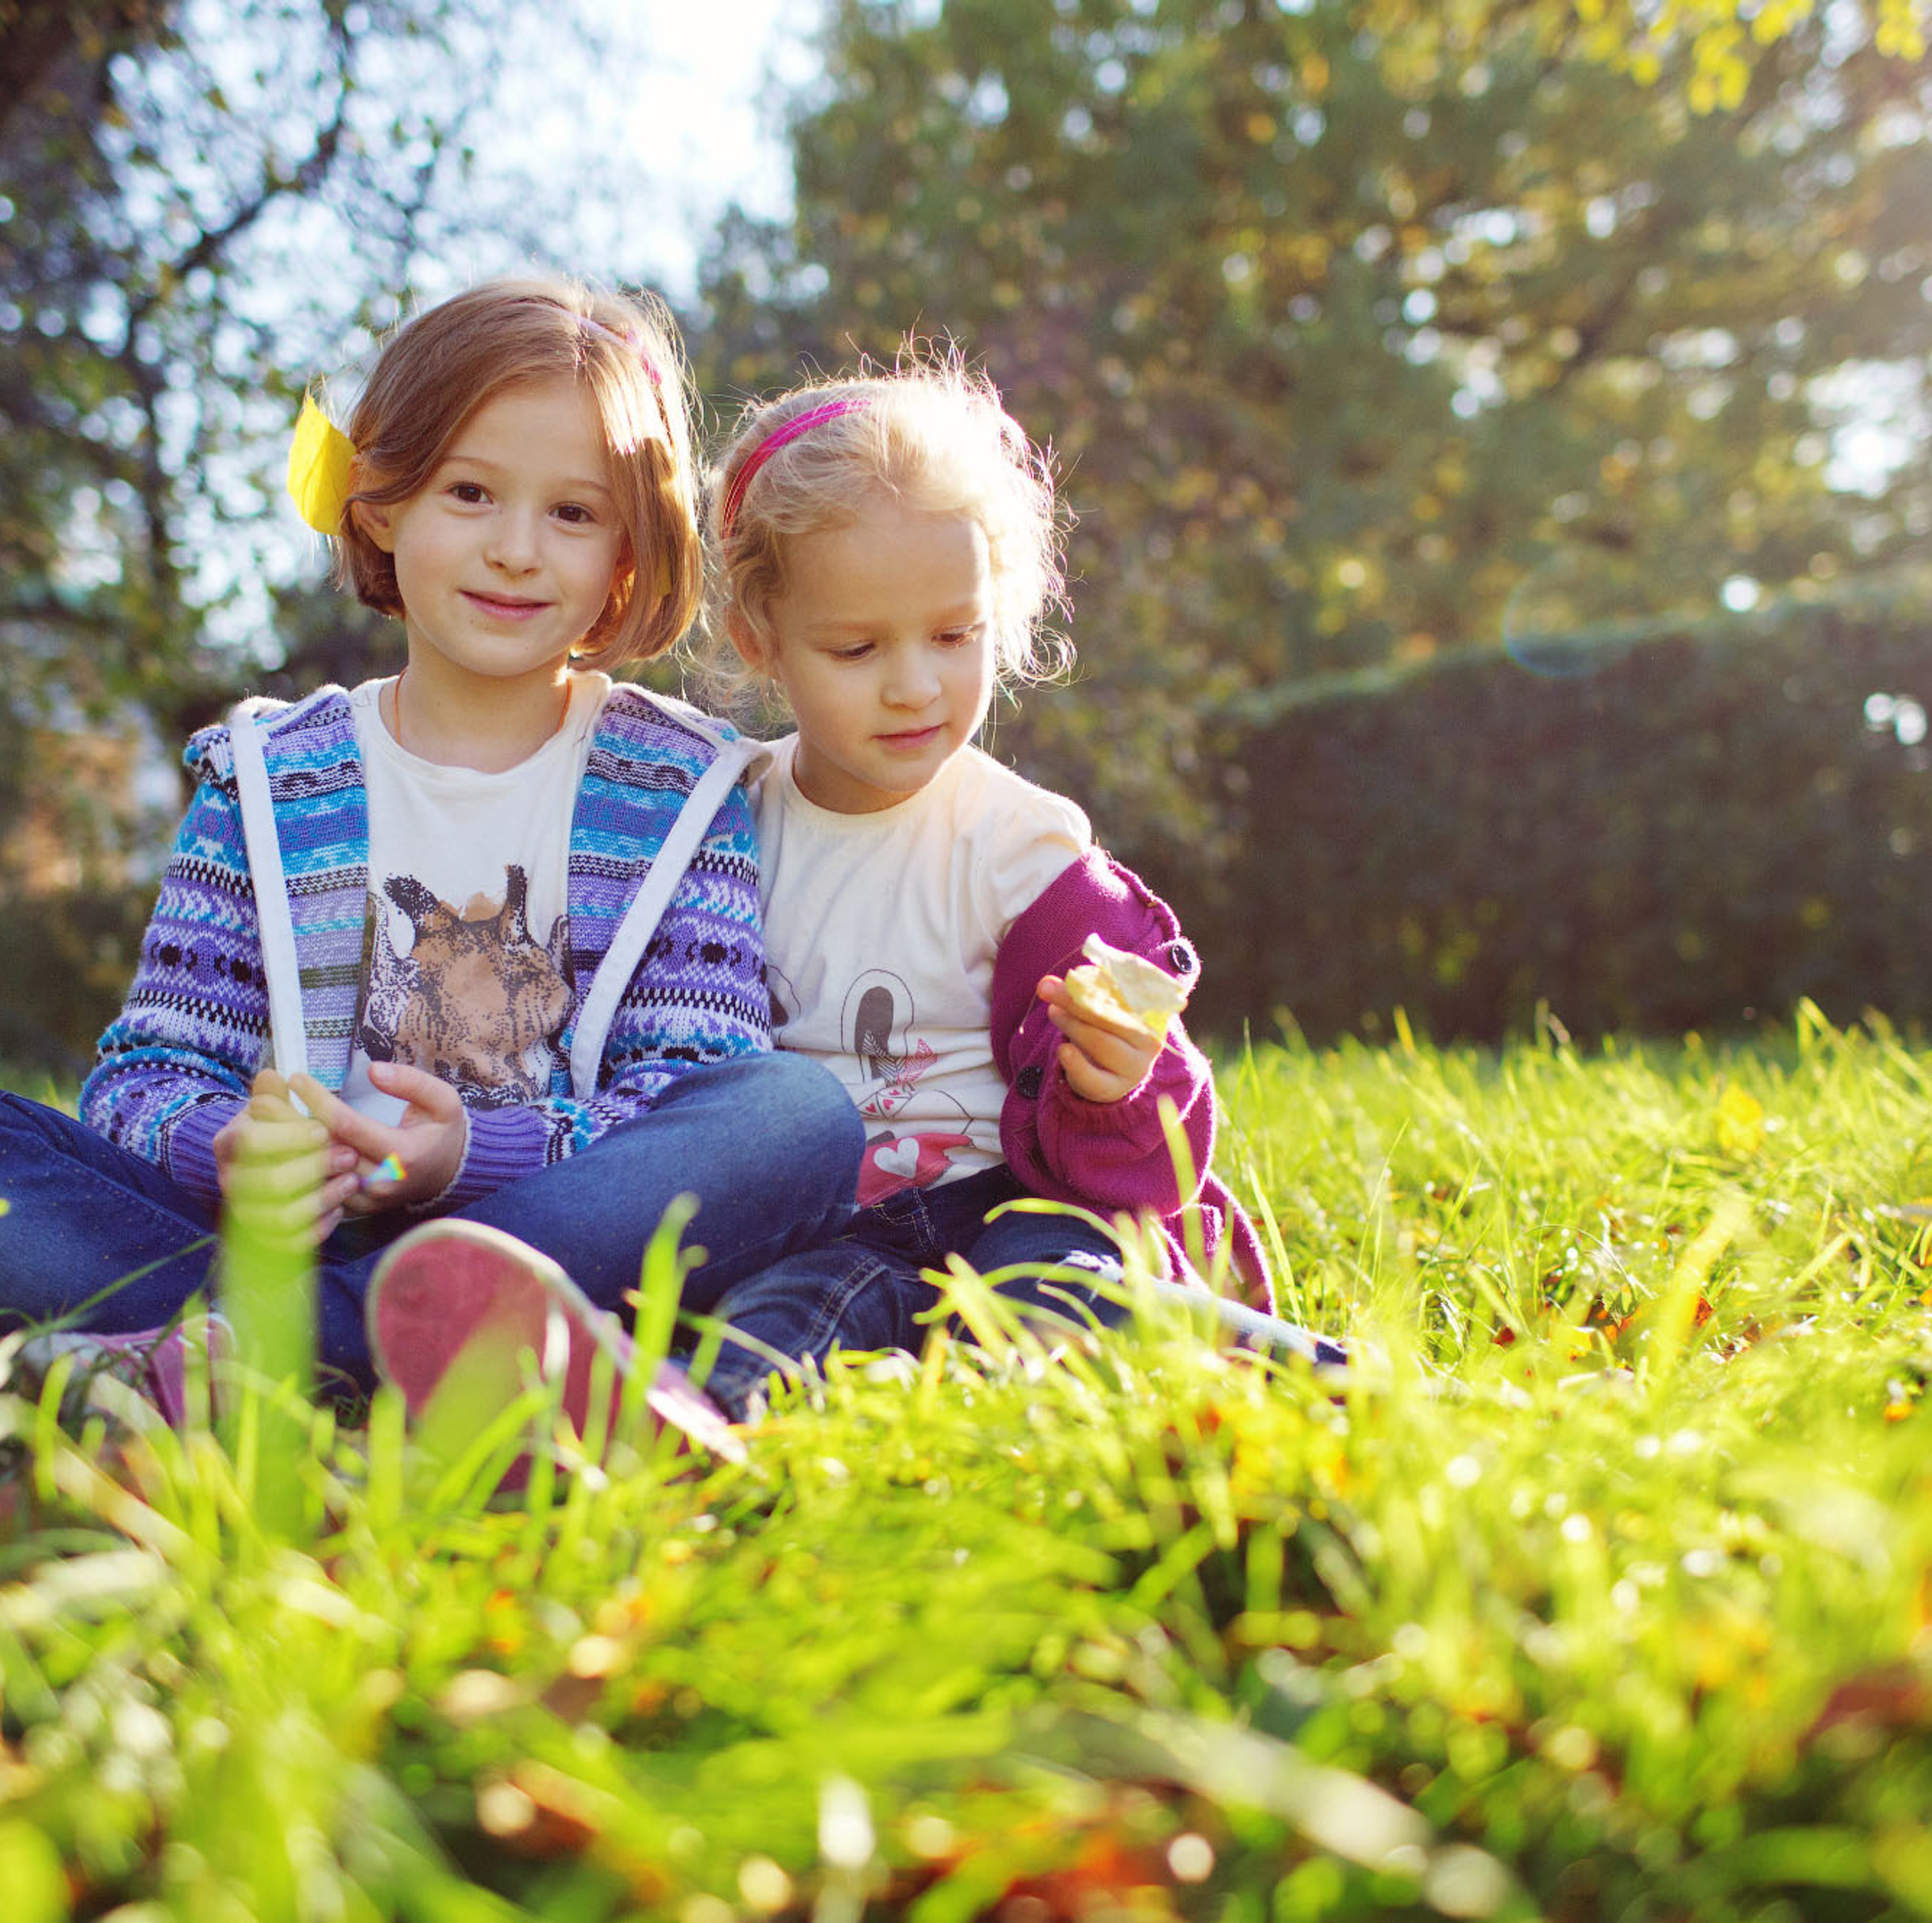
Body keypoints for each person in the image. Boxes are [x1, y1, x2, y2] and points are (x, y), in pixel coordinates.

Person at [0, 276, 862, 1438]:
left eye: (572, 513)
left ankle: (249, 1362)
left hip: (548, 1235)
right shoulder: (266, 775)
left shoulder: (676, 788)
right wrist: (223, 1146)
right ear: (381, 502)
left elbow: (693, 1076)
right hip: (253, 1244)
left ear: (627, 552)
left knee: (794, 1117)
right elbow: (146, 1067)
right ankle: (346, 1353)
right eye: (469, 492)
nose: (514, 550)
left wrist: (471, 1154)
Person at [674, 352, 1341, 1420]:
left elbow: (1155, 1139)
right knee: (773, 1323)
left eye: (953, 636)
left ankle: (1311, 1377)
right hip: (832, 1226)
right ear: (761, 640)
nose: (914, 685)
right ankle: (686, 1438)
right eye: (855, 647)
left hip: (1021, 1204)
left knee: (1055, 1305)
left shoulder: (1022, 851)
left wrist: (1116, 1080)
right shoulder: (721, 832)